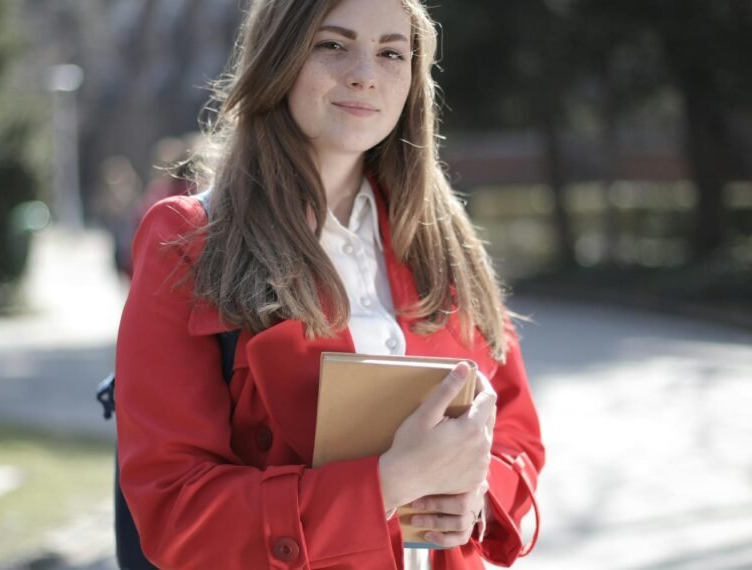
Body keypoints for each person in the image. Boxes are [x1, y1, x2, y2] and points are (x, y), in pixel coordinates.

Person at [115, 0, 544, 568]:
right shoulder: (189, 239)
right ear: (279, 57)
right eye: (333, 44)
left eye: (392, 52)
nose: (365, 73)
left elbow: (515, 430)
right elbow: (174, 512)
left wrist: (478, 496)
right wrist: (386, 484)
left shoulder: (443, 240)